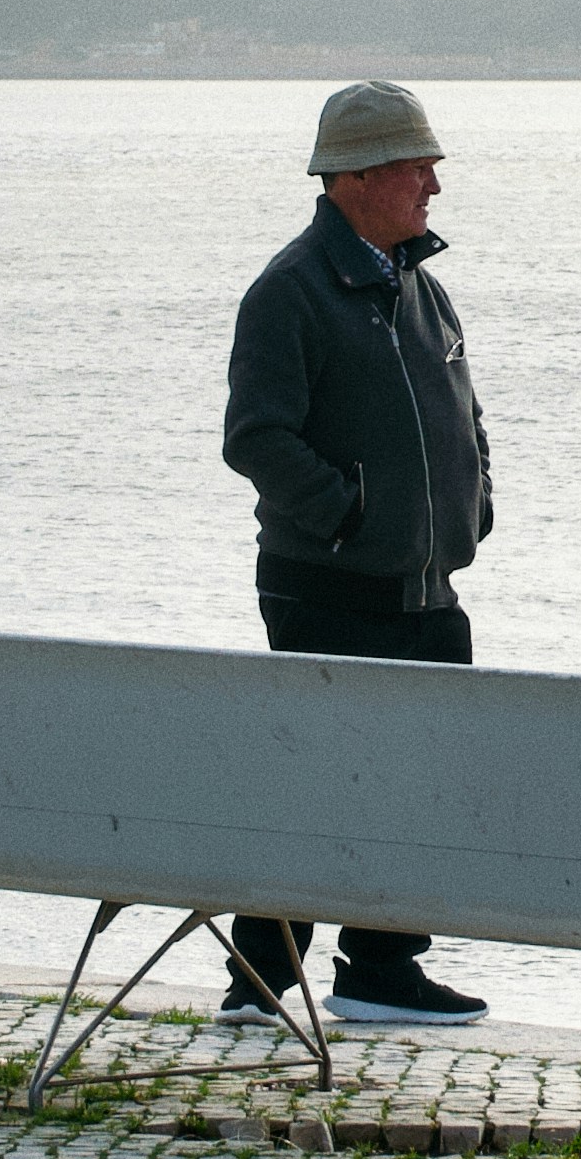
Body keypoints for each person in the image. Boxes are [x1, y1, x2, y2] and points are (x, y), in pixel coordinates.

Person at [214, 76, 494, 1035]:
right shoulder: (291, 291)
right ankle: (262, 980)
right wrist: (351, 518)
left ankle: (379, 969)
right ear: (359, 177)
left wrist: (476, 501)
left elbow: (466, 416)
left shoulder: (422, 286)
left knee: (419, 781)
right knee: (324, 780)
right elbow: (256, 437)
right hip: (331, 586)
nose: (434, 186)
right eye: (419, 167)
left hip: (427, 590)